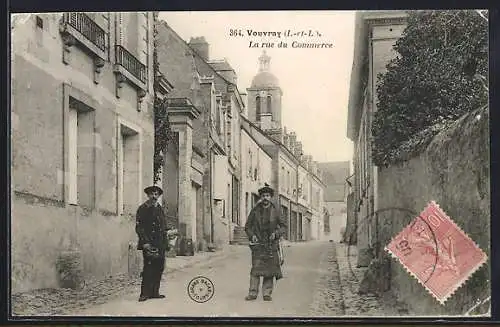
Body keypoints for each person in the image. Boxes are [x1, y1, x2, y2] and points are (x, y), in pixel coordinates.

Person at [244, 183, 287, 301]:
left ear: (271, 197)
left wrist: (276, 234)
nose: (265, 198)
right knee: (255, 269)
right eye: (263, 196)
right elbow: (247, 226)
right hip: (258, 245)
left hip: (271, 245)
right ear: (260, 197)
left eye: (268, 196)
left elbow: (283, 226)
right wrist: (252, 236)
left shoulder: (276, 211)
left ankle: (267, 293)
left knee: (270, 270)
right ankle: (253, 293)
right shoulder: (255, 211)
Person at [136, 185, 169, 302]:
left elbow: (163, 226)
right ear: (148, 195)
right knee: (148, 268)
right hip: (149, 243)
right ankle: (144, 293)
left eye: (156, 194)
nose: (154, 196)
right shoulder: (143, 208)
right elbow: (139, 228)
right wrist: (144, 242)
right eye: (152, 194)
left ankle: (155, 292)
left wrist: (167, 241)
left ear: (159, 196)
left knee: (159, 267)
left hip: (160, 243)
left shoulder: (160, 209)